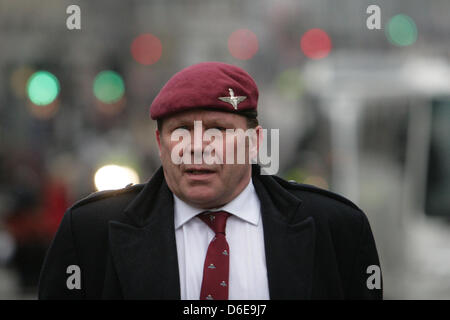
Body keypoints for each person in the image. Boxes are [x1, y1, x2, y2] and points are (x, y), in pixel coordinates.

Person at [38, 62, 382, 299]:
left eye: (218, 131)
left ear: (254, 141)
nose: (198, 147)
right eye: (182, 130)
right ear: (160, 144)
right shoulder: (89, 233)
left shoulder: (336, 228)